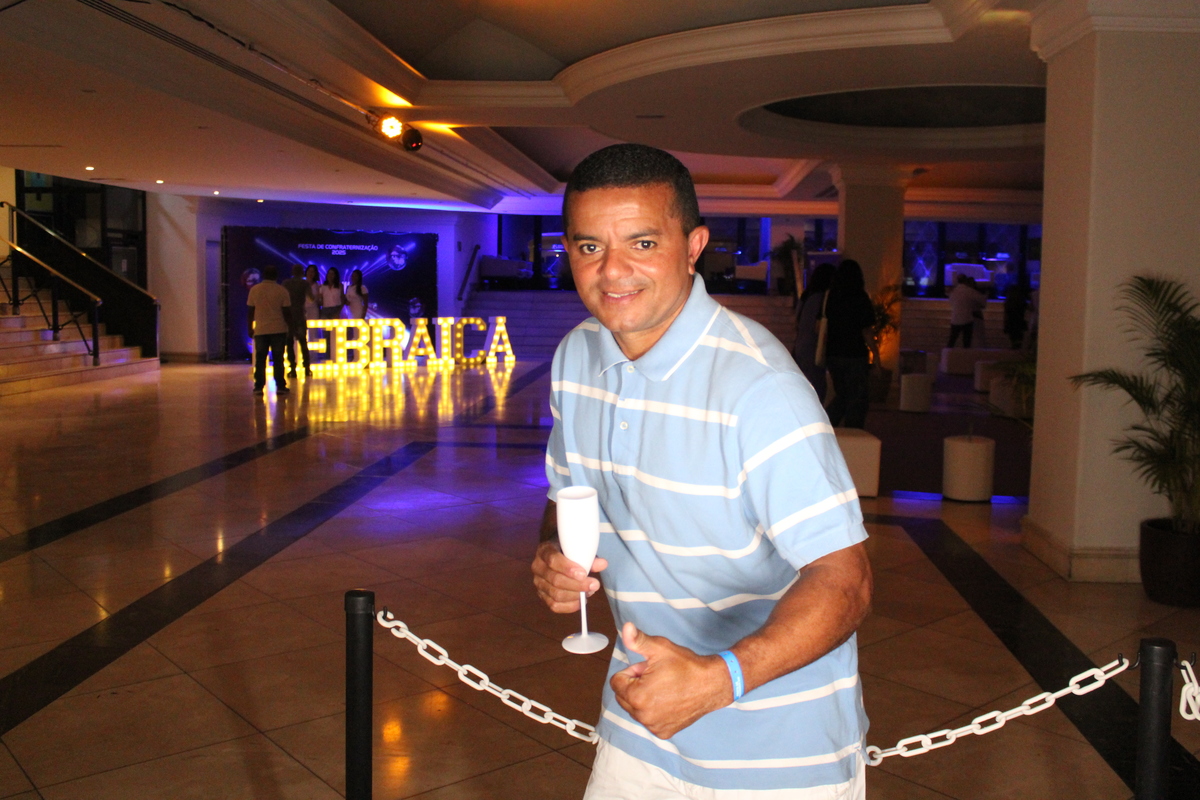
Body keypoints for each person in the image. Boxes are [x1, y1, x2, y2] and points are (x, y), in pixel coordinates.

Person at [531, 144, 871, 799]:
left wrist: (720, 680)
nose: (613, 271)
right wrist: (553, 553)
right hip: (639, 721)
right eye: (590, 247)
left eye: (642, 243)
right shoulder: (577, 357)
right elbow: (568, 494)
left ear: (693, 247)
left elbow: (845, 581)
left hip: (778, 755)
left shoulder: (759, 388)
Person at [823, 260, 876, 429]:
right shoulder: (860, 297)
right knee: (857, 398)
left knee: (843, 394)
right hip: (855, 353)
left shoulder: (831, 297)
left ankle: (826, 426)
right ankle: (854, 432)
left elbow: (821, 324)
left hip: (833, 353)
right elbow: (866, 331)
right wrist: (876, 356)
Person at [245, 264, 291, 396]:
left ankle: (258, 387)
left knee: (260, 360)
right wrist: (290, 327)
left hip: (261, 329)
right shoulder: (282, 290)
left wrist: (250, 328)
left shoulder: (255, 290)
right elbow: (286, 312)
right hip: (278, 329)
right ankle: (280, 386)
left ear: (264, 275)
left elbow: (250, 311)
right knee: (278, 359)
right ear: (276, 276)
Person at [792, 262, 835, 403]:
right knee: (818, 387)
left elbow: (797, 322)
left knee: (806, 386)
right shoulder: (823, 299)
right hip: (814, 347)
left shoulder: (805, 297)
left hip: (800, 346)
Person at [282, 264, 313, 377]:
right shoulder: (305, 284)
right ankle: (307, 368)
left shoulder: (286, 283)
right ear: (302, 272)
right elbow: (311, 298)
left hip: (289, 316)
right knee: (303, 343)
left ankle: (293, 369)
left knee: (289, 343)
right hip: (300, 315)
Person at [947, 273, 986, 347]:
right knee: (967, 342)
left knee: (952, 340)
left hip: (955, 319)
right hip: (967, 319)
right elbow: (982, 301)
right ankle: (966, 353)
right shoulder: (970, 291)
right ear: (965, 281)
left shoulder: (953, 292)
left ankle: (947, 353)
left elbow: (951, 303)